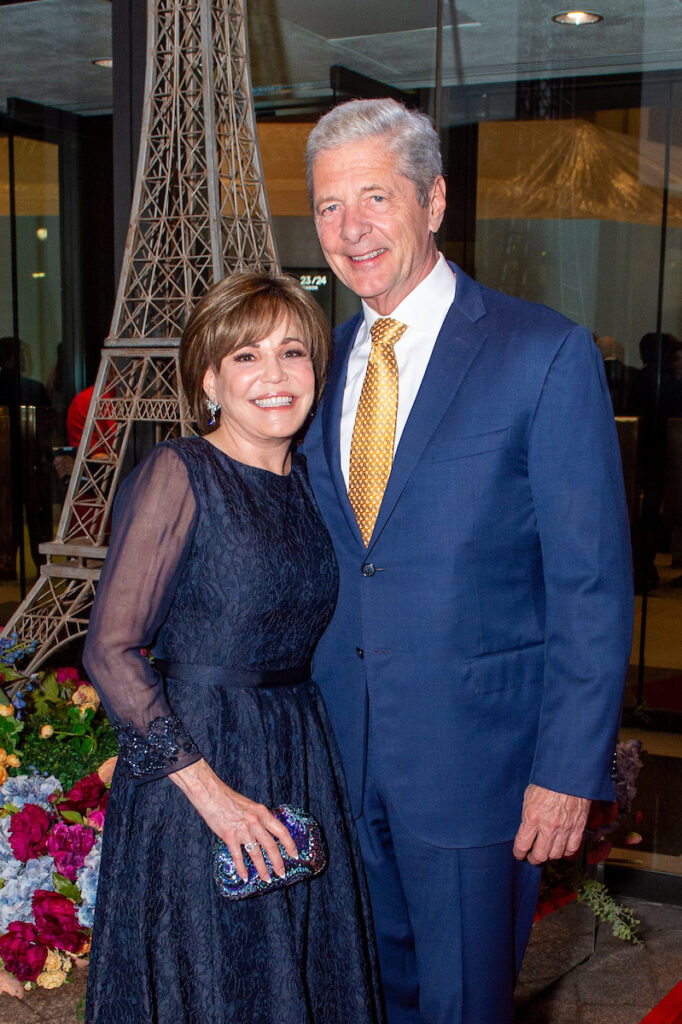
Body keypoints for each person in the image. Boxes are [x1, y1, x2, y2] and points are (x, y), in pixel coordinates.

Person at [303, 98, 633, 1024]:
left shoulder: (543, 353)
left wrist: (568, 769)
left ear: (434, 200)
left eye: (375, 197)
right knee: (362, 998)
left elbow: (592, 583)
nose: (351, 228)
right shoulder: (316, 368)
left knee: (462, 1005)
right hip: (335, 759)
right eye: (329, 206)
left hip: (474, 767)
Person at [82, 271, 383, 1024]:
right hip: (198, 765)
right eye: (246, 357)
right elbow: (110, 650)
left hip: (296, 750)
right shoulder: (180, 474)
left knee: (300, 971)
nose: (275, 377)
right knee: (214, 976)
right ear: (209, 378)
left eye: (292, 353)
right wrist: (212, 797)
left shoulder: (314, 483)